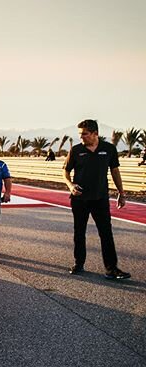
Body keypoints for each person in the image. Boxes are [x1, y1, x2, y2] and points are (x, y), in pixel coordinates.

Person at [63, 119, 130, 279]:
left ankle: (111, 269)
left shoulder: (108, 149)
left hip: (100, 198)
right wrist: (71, 185)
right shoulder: (76, 150)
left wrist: (121, 192)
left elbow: (115, 171)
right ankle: (79, 263)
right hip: (80, 199)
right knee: (79, 232)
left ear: (95, 133)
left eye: (84, 134)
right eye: (80, 135)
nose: (82, 138)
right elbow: (65, 172)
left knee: (106, 233)